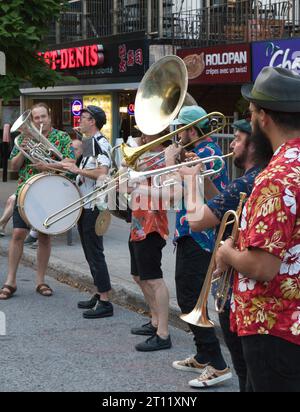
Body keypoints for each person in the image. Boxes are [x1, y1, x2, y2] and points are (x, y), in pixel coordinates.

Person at [215, 67, 300, 392]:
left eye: (250, 114)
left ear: (263, 118)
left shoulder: (277, 176)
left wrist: (227, 252)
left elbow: (263, 266)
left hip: (273, 328)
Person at [178, 118, 273, 391]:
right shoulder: (256, 179)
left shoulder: (247, 181)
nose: (231, 145)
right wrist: (204, 177)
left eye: (237, 140)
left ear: (253, 146)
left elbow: (197, 220)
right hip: (246, 292)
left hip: (241, 295)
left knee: (247, 374)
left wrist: (191, 180)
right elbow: (220, 204)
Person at [164, 105, 231, 388]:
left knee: (191, 297)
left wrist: (170, 159)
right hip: (190, 232)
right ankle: (203, 355)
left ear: (193, 130)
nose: (178, 136)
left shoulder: (208, 153)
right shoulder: (198, 151)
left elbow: (180, 189)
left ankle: (217, 363)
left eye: (182, 131)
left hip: (201, 236)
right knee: (189, 295)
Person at [0, 103, 74, 299]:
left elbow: (70, 164)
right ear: (32, 120)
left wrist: (48, 164)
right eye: (36, 118)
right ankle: (10, 281)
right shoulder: (24, 138)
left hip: (49, 191)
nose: (40, 121)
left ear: (50, 116)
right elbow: (14, 167)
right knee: (17, 234)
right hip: (26, 189)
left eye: (43, 117)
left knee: (44, 236)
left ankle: (40, 281)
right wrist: (23, 150)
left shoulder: (62, 137)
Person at [63, 106, 113, 319]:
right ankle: (99, 292)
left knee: (95, 253)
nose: (80, 121)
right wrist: (56, 165)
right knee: (89, 253)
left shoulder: (100, 143)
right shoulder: (89, 142)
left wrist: (77, 170)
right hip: (85, 205)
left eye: (83, 118)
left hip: (94, 205)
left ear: (92, 121)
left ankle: (105, 301)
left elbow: (102, 173)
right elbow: (84, 169)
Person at [126, 132, 171, 351]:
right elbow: (126, 188)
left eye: (147, 131)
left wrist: (139, 183)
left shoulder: (165, 157)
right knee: (138, 275)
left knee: (154, 279)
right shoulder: (141, 157)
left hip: (152, 224)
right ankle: (154, 320)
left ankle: (163, 333)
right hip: (137, 222)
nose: (142, 135)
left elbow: (170, 192)